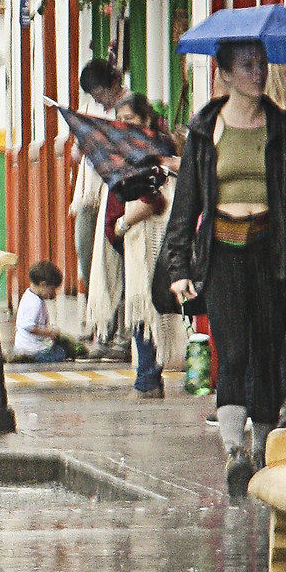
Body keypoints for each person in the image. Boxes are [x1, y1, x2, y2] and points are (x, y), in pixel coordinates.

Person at [159, 38, 286, 489]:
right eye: (247, 66)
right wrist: (179, 267)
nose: (258, 73)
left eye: (261, 63)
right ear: (224, 73)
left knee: (265, 352)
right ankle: (233, 452)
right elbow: (186, 205)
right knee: (233, 351)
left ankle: (260, 448)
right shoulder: (205, 130)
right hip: (222, 253)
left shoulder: (284, 127)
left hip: (270, 252)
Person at [86, 95, 187, 398]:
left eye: (129, 117)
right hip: (131, 239)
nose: (123, 123)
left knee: (145, 304)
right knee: (140, 305)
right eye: (120, 118)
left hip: (147, 239)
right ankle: (148, 377)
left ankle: (148, 380)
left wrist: (123, 224)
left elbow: (154, 200)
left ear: (146, 119)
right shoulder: (126, 150)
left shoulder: (152, 150)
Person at [70, 58, 127, 356]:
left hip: (115, 194)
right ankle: (99, 323)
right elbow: (76, 152)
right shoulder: (92, 109)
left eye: (100, 94)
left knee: (114, 263)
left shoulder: (128, 107)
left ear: (113, 85)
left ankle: (117, 332)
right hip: (89, 193)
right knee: (87, 256)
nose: (97, 100)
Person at [10, 262, 83, 363]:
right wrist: (49, 332)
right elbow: (29, 327)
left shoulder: (29, 295)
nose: (52, 293)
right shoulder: (34, 303)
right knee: (61, 352)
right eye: (52, 289)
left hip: (26, 347)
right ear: (43, 285)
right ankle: (30, 358)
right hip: (33, 351)